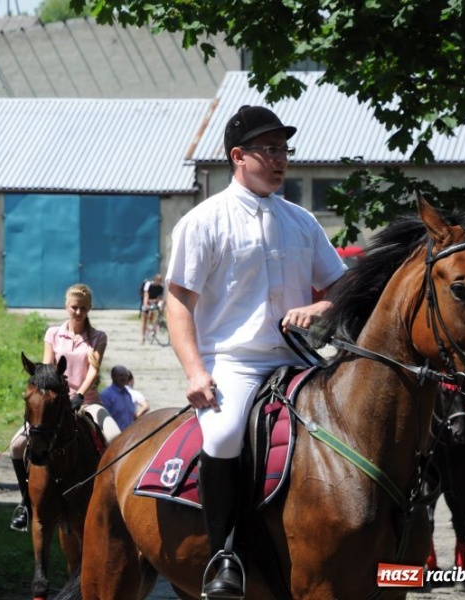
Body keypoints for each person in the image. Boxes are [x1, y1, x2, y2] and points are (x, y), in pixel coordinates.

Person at [166, 106, 346, 599]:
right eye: (270, 149)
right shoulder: (203, 221)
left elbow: (340, 286)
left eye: (284, 149)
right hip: (235, 361)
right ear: (238, 156)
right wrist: (195, 372)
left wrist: (321, 307)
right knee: (224, 435)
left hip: (298, 358)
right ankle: (225, 553)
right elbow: (179, 301)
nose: (280, 158)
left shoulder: (301, 220)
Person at [7, 283, 121, 531]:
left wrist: (79, 395)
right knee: (16, 446)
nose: (77, 312)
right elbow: (48, 369)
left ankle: (113, 501)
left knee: (115, 437)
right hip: (56, 402)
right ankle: (26, 504)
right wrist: (56, 395)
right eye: (73, 307)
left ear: (89, 309)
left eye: (82, 308)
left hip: (87, 401)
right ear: (66, 307)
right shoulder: (53, 334)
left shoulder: (98, 337)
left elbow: (94, 369)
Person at [99, 365, 135, 431]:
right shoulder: (106, 395)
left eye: (126, 375)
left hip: (129, 435)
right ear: (113, 377)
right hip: (114, 436)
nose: (124, 378)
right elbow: (104, 419)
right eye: (121, 375)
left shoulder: (128, 394)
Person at [141, 273, 165, 343]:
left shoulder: (161, 287)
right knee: (145, 318)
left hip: (155, 303)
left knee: (155, 317)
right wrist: (146, 305)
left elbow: (160, 298)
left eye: (160, 281)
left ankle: (159, 320)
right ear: (155, 280)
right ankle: (142, 336)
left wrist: (160, 304)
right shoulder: (149, 285)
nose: (159, 282)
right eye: (158, 280)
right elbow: (146, 296)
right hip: (148, 302)